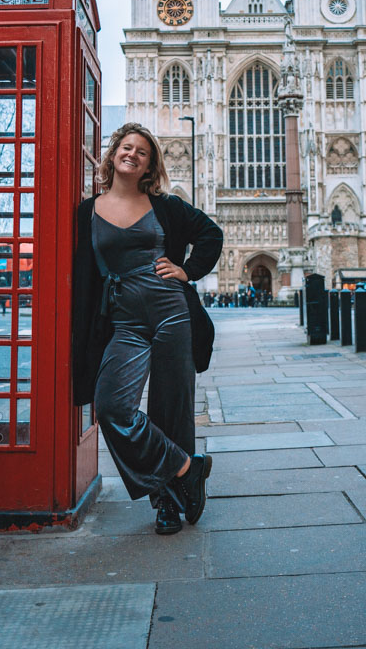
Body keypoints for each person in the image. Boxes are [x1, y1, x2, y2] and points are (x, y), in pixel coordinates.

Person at [72, 122, 223, 536]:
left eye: (142, 151)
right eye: (126, 147)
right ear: (113, 154)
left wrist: (187, 271)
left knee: (170, 408)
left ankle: (167, 506)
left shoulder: (166, 206)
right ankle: (187, 470)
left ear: (149, 164)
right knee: (112, 406)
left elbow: (211, 234)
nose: (132, 154)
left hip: (171, 310)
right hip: (124, 320)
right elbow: (82, 276)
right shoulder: (88, 211)